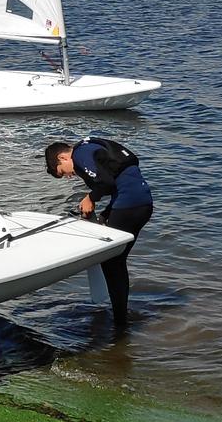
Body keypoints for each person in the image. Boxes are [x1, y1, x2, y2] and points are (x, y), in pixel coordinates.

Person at [47, 136, 153, 330]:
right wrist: (107, 212)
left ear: (63, 157)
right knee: (116, 261)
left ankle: (120, 322)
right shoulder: (91, 146)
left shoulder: (80, 154)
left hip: (130, 205)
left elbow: (105, 183)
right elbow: (122, 177)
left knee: (112, 261)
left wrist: (90, 198)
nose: (68, 176)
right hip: (142, 202)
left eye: (63, 172)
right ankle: (121, 316)